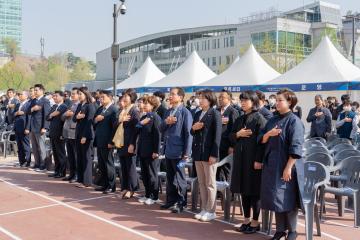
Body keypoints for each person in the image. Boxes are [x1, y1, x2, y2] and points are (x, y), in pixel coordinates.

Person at [259, 89, 304, 240]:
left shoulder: (294, 121)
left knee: (288, 197)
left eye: (280, 100)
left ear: (290, 102)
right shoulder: (272, 120)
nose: (276, 103)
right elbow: (261, 139)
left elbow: (296, 147)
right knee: (275, 197)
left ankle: (292, 231)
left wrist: (289, 167)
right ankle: (279, 230)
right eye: (276, 100)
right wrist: (268, 134)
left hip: (287, 164)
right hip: (271, 163)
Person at [229, 90, 267, 234]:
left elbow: (263, 142)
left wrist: (258, 160)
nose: (243, 103)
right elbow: (230, 137)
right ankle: (246, 220)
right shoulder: (239, 119)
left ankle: (255, 222)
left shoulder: (259, 119)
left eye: (246, 100)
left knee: (254, 191)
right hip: (240, 160)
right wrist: (238, 134)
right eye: (241, 100)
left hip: (253, 161)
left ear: (254, 101)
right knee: (243, 190)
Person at [159, 87, 193, 214]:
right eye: (170, 94)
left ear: (181, 97)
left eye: (173, 94)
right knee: (170, 177)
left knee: (180, 178)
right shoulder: (168, 112)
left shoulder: (185, 112)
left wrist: (186, 153)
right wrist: (167, 122)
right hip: (168, 150)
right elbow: (161, 128)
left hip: (180, 153)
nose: (171, 96)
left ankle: (181, 202)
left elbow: (189, 134)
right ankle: (171, 200)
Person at [191, 89, 221, 222]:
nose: (200, 100)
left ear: (209, 99)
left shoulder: (214, 113)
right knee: (202, 182)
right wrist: (194, 128)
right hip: (198, 152)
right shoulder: (197, 113)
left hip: (209, 154)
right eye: (199, 97)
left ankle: (211, 210)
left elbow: (217, 136)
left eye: (203, 98)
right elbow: (192, 132)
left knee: (210, 183)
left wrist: (214, 154)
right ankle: (204, 207)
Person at [135, 96, 162, 205]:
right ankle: (147, 194)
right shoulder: (144, 117)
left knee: (152, 174)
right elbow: (137, 129)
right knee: (145, 174)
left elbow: (157, 135)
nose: (145, 105)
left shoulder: (155, 117)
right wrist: (141, 123)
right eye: (144, 103)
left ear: (153, 105)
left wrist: (156, 151)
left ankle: (154, 196)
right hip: (142, 149)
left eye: (148, 103)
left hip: (151, 151)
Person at [113, 89, 140, 199]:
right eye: (123, 96)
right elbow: (114, 125)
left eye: (126, 96)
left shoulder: (134, 111)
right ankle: (124, 188)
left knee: (130, 167)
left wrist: (132, 144)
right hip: (121, 142)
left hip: (129, 142)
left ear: (131, 98)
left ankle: (132, 189)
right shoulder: (122, 110)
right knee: (123, 166)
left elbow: (136, 129)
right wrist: (121, 119)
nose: (124, 98)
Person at [93, 90, 118, 194]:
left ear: (110, 97)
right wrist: (96, 120)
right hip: (99, 140)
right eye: (100, 98)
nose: (101, 99)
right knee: (102, 163)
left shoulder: (114, 110)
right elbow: (93, 123)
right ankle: (104, 184)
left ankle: (111, 186)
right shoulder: (100, 109)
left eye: (103, 97)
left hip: (108, 141)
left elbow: (115, 127)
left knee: (108, 164)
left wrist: (111, 142)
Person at [73, 87, 96, 188]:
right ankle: (80, 179)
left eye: (80, 94)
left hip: (86, 135)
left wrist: (85, 136)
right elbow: (74, 118)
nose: (79, 96)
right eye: (78, 94)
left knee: (86, 158)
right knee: (80, 157)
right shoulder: (79, 105)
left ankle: (87, 181)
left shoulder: (90, 106)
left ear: (86, 94)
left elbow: (89, 122)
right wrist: (78, 117)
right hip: (78, 133)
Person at [26, 84, 51, 171]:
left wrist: (45, 127)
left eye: (36, 90)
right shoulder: (33, 101)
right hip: (32, 127)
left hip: (40, 127)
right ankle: (37, 163)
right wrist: (33, 109)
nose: (35, 92)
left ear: (42, 91)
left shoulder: (45, 101)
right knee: (34, 147)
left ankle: (43, 165)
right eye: (34, 90)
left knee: (41, 147)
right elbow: (28, 112)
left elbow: (47, 115)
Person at [216, 89, 239, 181]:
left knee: (226, 170)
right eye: (219, 97)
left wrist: (232, 146)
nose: (220, 99)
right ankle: (218, 192)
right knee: (216, 169)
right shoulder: (216, 111)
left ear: (229, 99)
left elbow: (235, 130)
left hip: (227, 146)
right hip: (217, 145)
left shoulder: (233, 112)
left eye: (223, 97)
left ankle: (229, 192)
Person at [47, 91, 68, 178]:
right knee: (55, 153)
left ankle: (62, 172)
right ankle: (56, 170)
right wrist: (52, 115)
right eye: (54, 96)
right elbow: (47, 117)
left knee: (61, 153)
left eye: (56, 96)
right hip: (53, 133)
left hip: (60, 133)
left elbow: (58, 114)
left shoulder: (64, 106)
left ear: (62, 97)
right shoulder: (54, 106)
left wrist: (52, 115)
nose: (54, 97)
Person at [61, 87, 80, 183]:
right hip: (67, 133)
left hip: (74, 133)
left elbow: (78, 119)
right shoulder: (71, 105)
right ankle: (72, 174)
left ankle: (77, 175)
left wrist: (70, 114)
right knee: (70, 155)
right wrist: (67, 114)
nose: (72, 95)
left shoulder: (80, 105)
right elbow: (63, 116)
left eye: (74, 94)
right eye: (71, 94)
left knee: (76, 156)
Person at [13, 91, 31, 167]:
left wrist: (27, 128)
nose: (20, 96)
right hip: (17, 127)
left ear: (26, 96)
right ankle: (21, 161)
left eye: (21, 94)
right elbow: (14, 114)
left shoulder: (29, 104)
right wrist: (17, 113)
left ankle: (27, 161)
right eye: (19, 94)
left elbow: (29, 117)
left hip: (24, 127)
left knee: (25, 145)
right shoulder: (18, 105)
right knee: (19, 146)